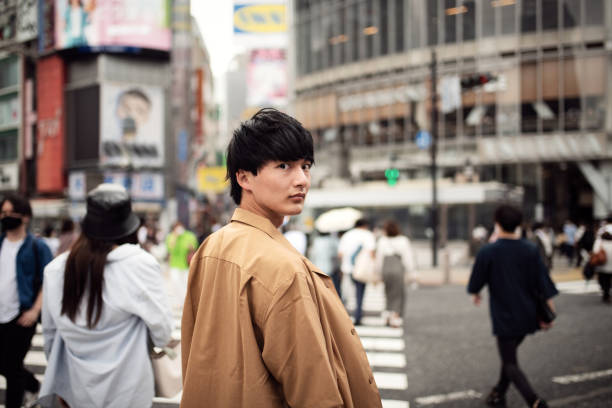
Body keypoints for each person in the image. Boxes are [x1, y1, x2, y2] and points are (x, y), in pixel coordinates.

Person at [181, 108, 382, 407]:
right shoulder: (283, 268)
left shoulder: (211, 248)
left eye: (306, 166)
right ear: (244, 178)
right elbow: (315, 393)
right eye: (285, 166)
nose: (302, 180)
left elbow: (193, 350)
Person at [39, 183, 173, 408]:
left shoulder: (55, 271)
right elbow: (162, 332)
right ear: (128, 226)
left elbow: (50, 341)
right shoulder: (139, 265)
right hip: (129, 390)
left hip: (74, 391)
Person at [467, 205, 558, 408]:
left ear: (496, 223)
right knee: (508, 357)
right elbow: (544, 284)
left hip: (505, 316)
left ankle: (534, 402)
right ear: (519, 224)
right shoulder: (530, 249)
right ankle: (498, 394)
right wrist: (551, 313)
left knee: (509, 362)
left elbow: (475, 283)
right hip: (528, 313)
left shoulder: (488, 251)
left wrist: (476, 294)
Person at [0, 194, 53, 408]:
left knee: (12, 366)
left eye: (9, 213)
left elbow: (49, 281)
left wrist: (34, 310)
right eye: (2, 213)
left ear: (24, 217)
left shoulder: (37, 247)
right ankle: (32, 385)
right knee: (6, 364)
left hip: (22, 315)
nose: (4, 217)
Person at [375, 220, 415, 328]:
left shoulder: (382, 241)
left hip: (386, 268)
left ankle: (387, 316)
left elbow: (379, 258)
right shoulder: (403, 240)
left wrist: (378, 272)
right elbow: (408, 257)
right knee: (398, 294)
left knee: (388, 293)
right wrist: (411, 271)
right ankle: (395, 318)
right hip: (398, 268)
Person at [338, 218, 376, 326]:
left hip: (348, 268)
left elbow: (340, 254)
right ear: (365, 225)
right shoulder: (368, 235)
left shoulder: (347, 235)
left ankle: (341, 316)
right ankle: (358, 316)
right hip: (362, 269)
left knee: (347, 293)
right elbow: (372, 253)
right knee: (360, 293)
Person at [166, 221, 198, 305]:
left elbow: (194, 245)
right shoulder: (171, 236)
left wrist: (191, 247)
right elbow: (170, 249)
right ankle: (179, 302)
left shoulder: (189, 235)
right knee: (175, 282)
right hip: (175, 264)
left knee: (185, 283)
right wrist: (175, 238)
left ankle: (186, 301)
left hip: (186, 264)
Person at [308, 230, 340, 294]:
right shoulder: (332, 241)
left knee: (320, 288)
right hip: (330, 267)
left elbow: (312, 255)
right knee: (331, 288)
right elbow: (335, 255)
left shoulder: (316, 241)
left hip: (318, 267)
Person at [591, 225, 612, 303]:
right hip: (610, 267)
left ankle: (605, 293)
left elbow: (595, 253)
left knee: (603, 280)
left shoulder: (600, 244)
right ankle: (607, 292)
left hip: (602, 267)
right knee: (609, 280)